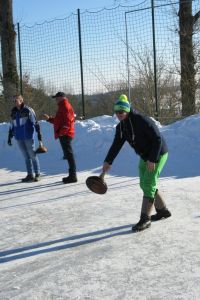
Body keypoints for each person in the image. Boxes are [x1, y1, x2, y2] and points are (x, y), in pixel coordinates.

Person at [102, 94, 171, 232]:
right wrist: (108, 161)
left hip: (158, 153)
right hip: (145, 156)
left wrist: (152, 159)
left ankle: (145, 219)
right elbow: (116, 145)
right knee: (143, 184)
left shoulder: (141, 120)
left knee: (149, 183)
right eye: (116, 112)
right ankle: (163, 210)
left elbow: (157, 139)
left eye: (121, 111)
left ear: (127, 110)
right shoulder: (121, 128)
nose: (119, 114)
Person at [43, 92, 77, 184]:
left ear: (62, 97)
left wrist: (62, 133)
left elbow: (68, 122)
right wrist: (49, 119)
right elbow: (59, 121)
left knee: (69, 155)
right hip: (64, 134)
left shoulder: (65, 106)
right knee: (68, 155)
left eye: (57, 98)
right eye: (55, 98)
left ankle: (73, 176)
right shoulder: (62, 106)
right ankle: (72, 175)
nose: (55, 99)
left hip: (66, 134)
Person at [7, 95, 42, 182]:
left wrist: (39, 134)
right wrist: (10, 136)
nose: (14, 102)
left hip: (28, 136)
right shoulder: (13, 112)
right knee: (26, 157)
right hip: (19, 138)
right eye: (13, 100)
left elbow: (35, 123)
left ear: (21, 100)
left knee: (32, 155)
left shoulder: (28, 110)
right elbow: (12, 125)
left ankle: (37, 174)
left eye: (16, 100)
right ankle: (30, 175)